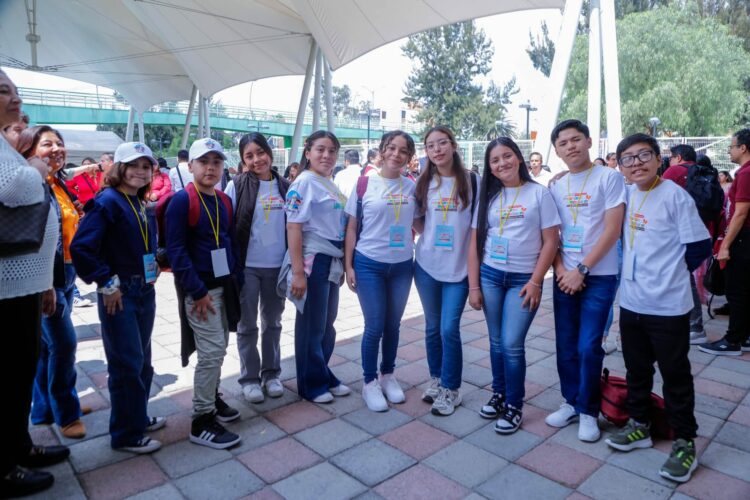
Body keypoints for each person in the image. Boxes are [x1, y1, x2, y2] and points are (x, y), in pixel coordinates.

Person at [604, 133, 711, 483]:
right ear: (620, 166)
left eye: (643, 155)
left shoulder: (675, 196)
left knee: (675, 375)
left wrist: (669, 275)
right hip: (632, 302)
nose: (636, 164)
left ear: (657, 158)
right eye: (628, 159)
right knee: (636, 370)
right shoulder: (627, 194)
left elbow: (699, 246)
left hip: (667, 306)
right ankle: (640, 425)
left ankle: (684, 442)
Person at [71, 141, 166, 454]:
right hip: (120, 292)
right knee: (127, 364)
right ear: (119, 168)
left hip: (144, 289)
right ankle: (126, 434)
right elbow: (81, 248)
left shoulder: (138, 200)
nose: (140, 171)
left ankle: (136, 418)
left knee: (142, 362)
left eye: (146, 166)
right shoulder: (107, 201)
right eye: (133, 165)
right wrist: (106, 282)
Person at [0, 69, 68, 498]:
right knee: (7, 373)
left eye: (15, 91)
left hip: (22, 283)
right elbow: (15, 190)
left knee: (20, 368)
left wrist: (44, 281)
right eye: (3, 91)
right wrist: (37, 168)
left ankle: (18, 446)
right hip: (5, 286)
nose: (15, 99)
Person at [469, 138, 560, 433]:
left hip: (523, 280)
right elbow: (474, 242)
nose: (502, 163)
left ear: (519, 158)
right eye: (495, 160)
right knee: (496, 341)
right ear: (490, 167)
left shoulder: (539, 193)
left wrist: (536, 281)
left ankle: (514, 404)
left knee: (511, 343)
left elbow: (551, 242)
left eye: (507, 156)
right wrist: (474, 286)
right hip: (491, 276)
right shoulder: (488, 196)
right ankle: (499, 394)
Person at [545, 119, 625, 442]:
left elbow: (612, 230)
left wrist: (583, 270)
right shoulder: (556, 186)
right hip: (565, 275)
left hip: (599, 275)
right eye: (563, 143)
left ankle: (589, 411)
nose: (570, 147)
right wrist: (562, 269)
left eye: (576, 139)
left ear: (589, 141)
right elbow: (551, 234)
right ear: (557, 151)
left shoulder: (609, 178)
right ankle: (571, 402)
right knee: (565, 344)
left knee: (589, 345)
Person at [165, 138, 243, 449]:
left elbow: (228, 239)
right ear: (190, 165)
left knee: (219, 348)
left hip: (224, 286)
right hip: (201, 292)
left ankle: (212, 397)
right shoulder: (182, 201)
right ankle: (201, 420)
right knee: (211, 353)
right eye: (204, 162)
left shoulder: (223, 200)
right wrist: (197, 291)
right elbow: (176, 251)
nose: (210, 168)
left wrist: (236, 276)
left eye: (216, 162)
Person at [18, 126, 87, 439]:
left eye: (59, 143)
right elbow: (32, 238)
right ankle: (67, 413)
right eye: (47, 144)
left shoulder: (57, 183)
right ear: (29, 150)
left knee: (47, 347)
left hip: (66, 272)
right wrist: (44, 283)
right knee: (63, 344)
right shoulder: (31, 185)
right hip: (47, 277)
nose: (57, 148)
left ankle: (44, 409)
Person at [343, 131, 418, 412]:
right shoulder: (364, 184)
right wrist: (349, 265)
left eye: (403, 150)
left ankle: (388, 375)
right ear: (382, 151)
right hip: (369, 263)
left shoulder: (412, 187)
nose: (396, 154)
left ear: (409, 157)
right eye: (391, 148)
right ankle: (369, 381)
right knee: (374, 325)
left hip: (402, 265)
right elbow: (352, 228)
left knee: (393, 325)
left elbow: (421, 223)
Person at [281, 130, 351, 404]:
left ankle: (321, 372)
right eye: (320, 149)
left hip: (331, 258)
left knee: (326, 323)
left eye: (332, 150)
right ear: (308, 152)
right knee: (312, 324)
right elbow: (293, 227)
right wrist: (299, 272)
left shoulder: (327, 182)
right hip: (313, 260)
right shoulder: (304, 183)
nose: (327, 155)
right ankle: (310, 384)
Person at [413, 126, 478, 417]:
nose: (437, 149)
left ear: (453, 145)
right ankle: (437, 379)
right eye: (430, 145)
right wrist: (429, 237)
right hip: (427, 266)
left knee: (448, 328)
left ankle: (452, 388)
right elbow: (417, 220)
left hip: (459, 269)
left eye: (442, 143)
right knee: (432, 327)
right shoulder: (423, 182)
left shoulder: (472, 181)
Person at [230, 133, 289, 403]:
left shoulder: (286, 186)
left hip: (277, 267)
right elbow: (227, 227)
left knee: (273, 323)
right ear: (243, 160)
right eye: (249, 156)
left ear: (269, 152)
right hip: (248, 267)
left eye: (260, 152)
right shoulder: (236, 186)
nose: (257, 160)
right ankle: (250, 378)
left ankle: (271, 374)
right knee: (247, 325)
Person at [700, 129, 750, 355]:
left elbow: (741, 212)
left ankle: (733, 340)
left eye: (731, 146)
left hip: (742, 239)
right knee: (743, 290)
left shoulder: (746, 173)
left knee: (736, 291)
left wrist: (726, 245)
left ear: (743, 148)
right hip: (743, 237)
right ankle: (744, 336)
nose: (729, 151)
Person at [662, 145, 709, 345]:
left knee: (683, 277)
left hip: (675, 235)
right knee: (688, 278)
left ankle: (694, 326)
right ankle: (694, 324)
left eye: (671, 158)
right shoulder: (702, 171)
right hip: (701, 230)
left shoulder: (674, 172)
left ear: (678, 157)